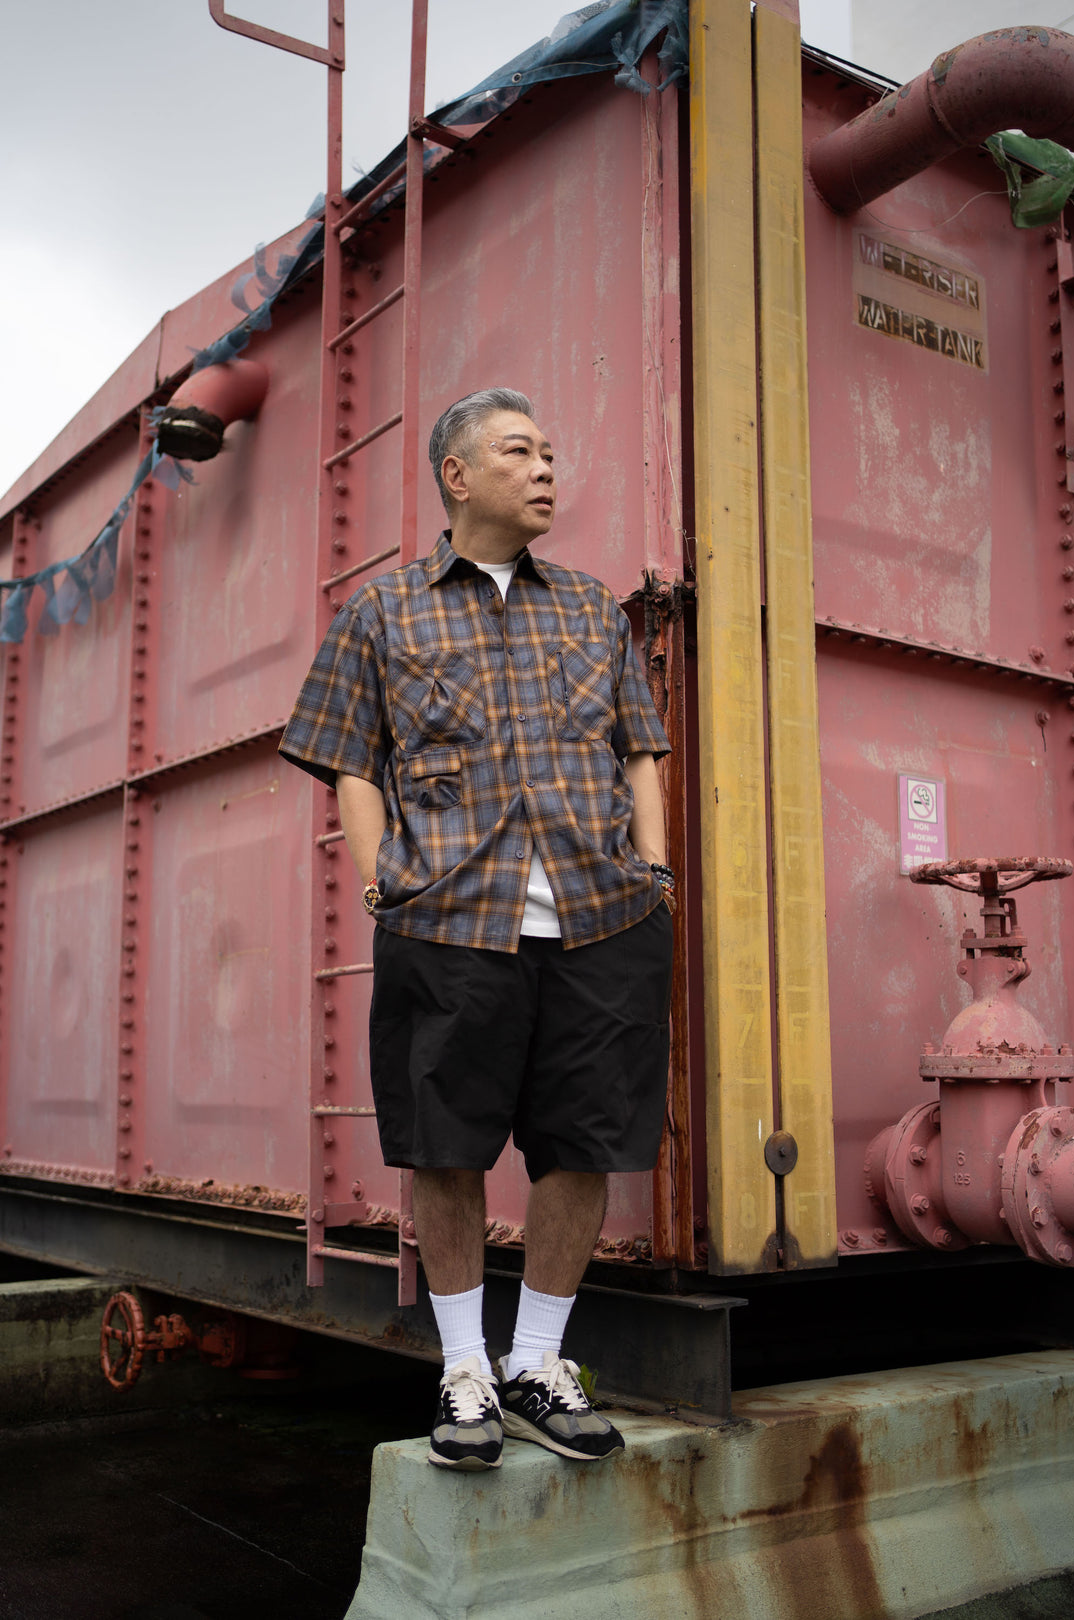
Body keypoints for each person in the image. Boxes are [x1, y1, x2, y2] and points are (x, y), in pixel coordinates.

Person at [279, 387, 675, 1472]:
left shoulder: (591, 608)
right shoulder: (382, 613)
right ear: (457, 476)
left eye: (550, 452)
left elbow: (640, 746)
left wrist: (653, 869)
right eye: (519, 452)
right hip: (449, 919)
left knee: (583, 1144)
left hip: (601, 918)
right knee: (444, 1146)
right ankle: (465, 1371)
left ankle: (538, 1361)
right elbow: (351, 757)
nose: (546, 468)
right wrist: (383, 883)